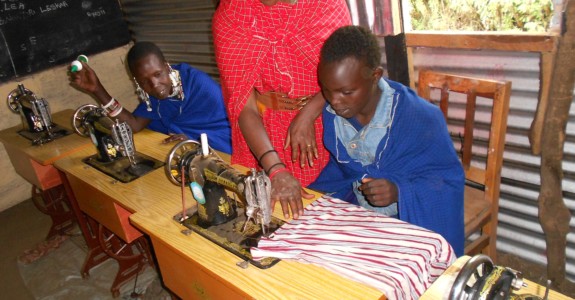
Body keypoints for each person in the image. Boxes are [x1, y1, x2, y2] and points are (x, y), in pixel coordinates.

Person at [308, 25, 465, 255]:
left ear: (375, 76)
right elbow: (345, 172)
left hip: (410, 222)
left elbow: (447, 181)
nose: (335, 102)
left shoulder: (419, 117)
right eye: (327, 91)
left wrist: (400, 190)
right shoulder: (334, 116)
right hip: (361, 216)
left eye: (346, 92)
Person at [212, 0, 351, 219]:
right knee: (283, 217)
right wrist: (275, 168)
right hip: (268, 134)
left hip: (330, 115)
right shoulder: (232, 14)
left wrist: (307, 115)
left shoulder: (326, 4)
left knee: (335, 210)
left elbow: (350, 72)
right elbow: (243, 105)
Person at [69, 41, 232, 154]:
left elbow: (233, 132)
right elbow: (134, 124)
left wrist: (196, 140)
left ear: (167, 66)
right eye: (144, 81)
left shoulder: (200, 86)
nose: (154, 85)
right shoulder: (154, 94)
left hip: (221, 153)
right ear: (137, 82)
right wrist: (98, 90)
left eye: (158, 74)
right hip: (184, 150)